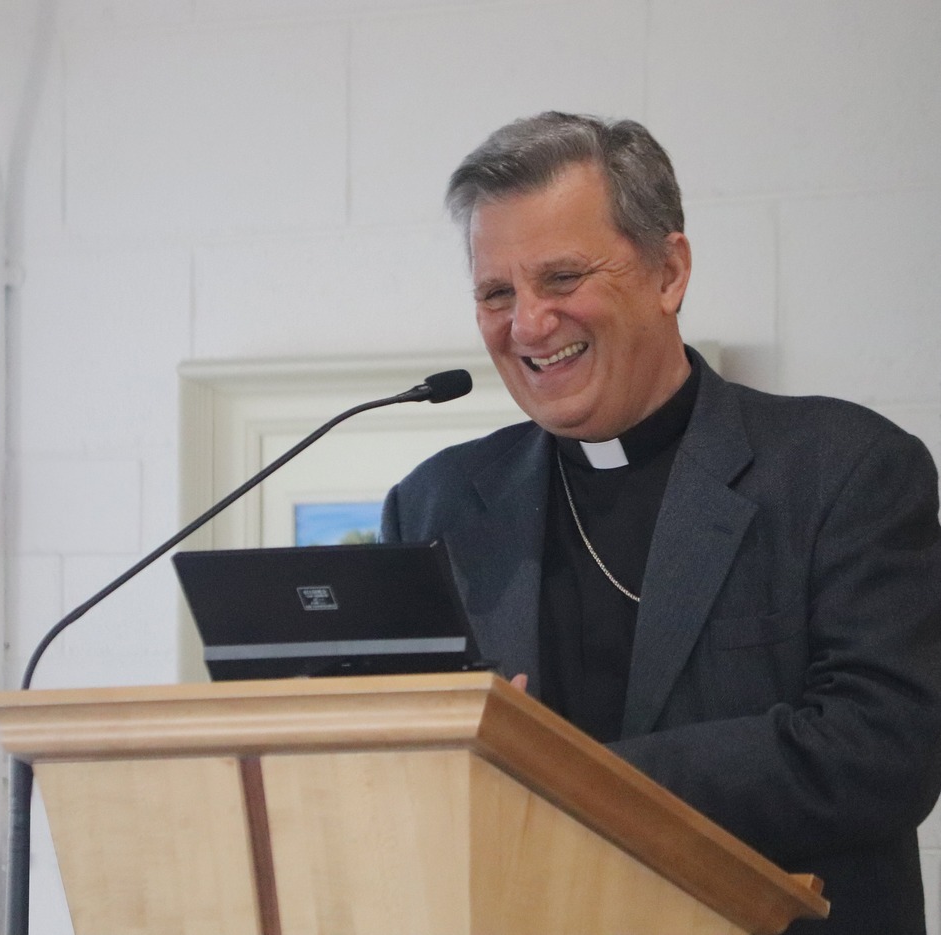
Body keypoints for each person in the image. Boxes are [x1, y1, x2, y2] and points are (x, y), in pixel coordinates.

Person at [380, 112, 941, 933]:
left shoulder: (843, 468)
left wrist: (567, 777)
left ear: (669, 272)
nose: (528, 324)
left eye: (562, 278)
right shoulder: (435, 504)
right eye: (497, 293)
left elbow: (880, 751)